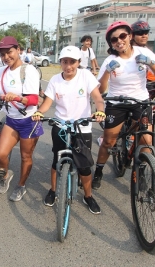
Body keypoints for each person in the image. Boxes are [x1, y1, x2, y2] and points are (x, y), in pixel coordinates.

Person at [91, 21, 155, 190]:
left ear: (130, 36)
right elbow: (101, 89)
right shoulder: (111, 59)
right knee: (109, 141)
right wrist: (107, 73)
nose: (119, 41)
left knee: (146, 140)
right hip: (117, 102)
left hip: (140, 102)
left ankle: (140, 173)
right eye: (114, 39)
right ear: (111, 43)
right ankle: (99, 170)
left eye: (123, 36)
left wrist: (150, 63)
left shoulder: (143, 52)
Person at [32, 46, 106, 214]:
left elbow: (97, 99)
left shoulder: (86, 76)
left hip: (82, 126)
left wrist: (100, 110)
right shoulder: (55, 80)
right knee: (56, 160)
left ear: (79, 62)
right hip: (60, 125)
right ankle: (52, 190)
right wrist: (39, 112)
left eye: (72, 62)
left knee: (84, 166)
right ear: (60, 63)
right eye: (64, 62)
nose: (68, 66)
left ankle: (88, 196)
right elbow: (47, 102)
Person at [0, 36, 42, 202]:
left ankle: (21, 185)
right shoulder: (3, 70)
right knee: (0, 154)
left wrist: (17, 98)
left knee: (25, 157)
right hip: (12, 120)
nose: (6, 57)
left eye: (10, 52)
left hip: (29, 121)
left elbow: (34, 100)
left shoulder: (29, 70)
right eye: (3, 54)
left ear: (18, 49)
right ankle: (6, 174)